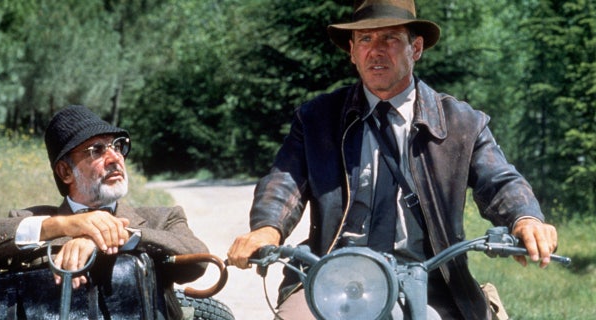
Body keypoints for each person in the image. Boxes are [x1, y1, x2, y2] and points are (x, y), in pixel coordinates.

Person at [227, 0, 558, 319]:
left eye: (390, 38)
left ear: (416, 49)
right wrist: (268, 229)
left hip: (429, 279)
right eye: (366, 39)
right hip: (330, 271)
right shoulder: (316, 118)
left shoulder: (462, 123)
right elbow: (284, 180)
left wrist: (525, 219)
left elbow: (498, 180)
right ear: (353, 53)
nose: (376, 49)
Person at [0, 105, 209, 319]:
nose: (115, 158)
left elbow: (199, 261)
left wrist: (116, 235)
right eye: (97, 150)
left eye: (117, 146)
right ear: (65, 172)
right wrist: (65, 226)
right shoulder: (32, 221)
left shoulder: (162, 218)